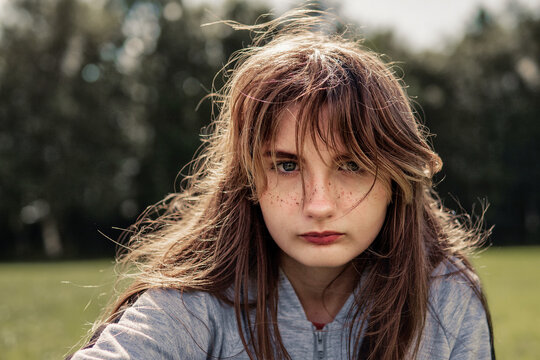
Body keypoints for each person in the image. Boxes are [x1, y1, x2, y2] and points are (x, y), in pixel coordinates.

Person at [69, 9, 494, 360]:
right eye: (287, 166)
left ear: (395, 179)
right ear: (250, 178)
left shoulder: (445, 299)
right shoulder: (198, 295)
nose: (320, 204)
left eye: (350, 164)